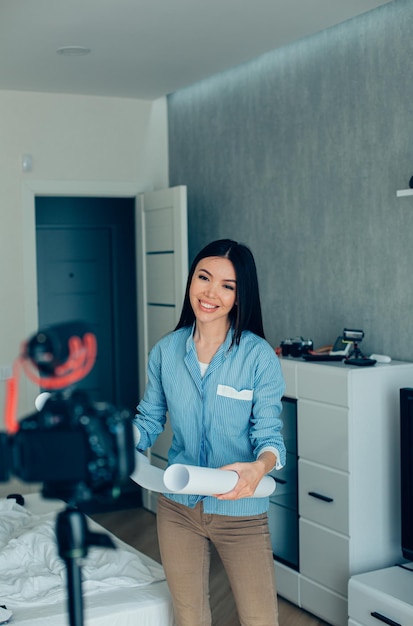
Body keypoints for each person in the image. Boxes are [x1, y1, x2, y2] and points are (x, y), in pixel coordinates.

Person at [133, 238, 286, 626]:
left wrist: (259, 467)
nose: (210, 292)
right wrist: (116, 442)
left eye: (227, 285)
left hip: (241, 511)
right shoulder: (166, 352)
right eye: (204, 277)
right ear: (191, 281)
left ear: (240, 295)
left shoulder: (258, 357)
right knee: (189, 617)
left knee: (260, 619)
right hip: (177, 507)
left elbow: (269, 437)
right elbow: (149, 419)